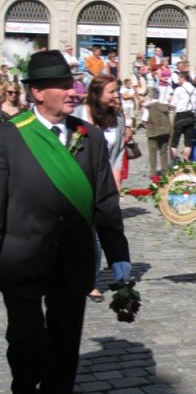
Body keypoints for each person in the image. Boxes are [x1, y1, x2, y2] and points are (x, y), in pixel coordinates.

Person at [0, 50, 131, 394]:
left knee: (64, 342)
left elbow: (105, 200)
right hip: (21, 258)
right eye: (62, 84)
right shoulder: (9, 135)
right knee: (26, 342)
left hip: (72, 259)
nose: (73, 90)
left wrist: (119, 258)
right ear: (38, 92)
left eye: (73, 83)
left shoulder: (88, 136)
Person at [74, 74, 128, 302]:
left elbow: (117, 154)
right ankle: (85, 278)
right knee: (86, 234)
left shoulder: (118, 119)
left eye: (117, 91)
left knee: (101, 231)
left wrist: (115, 185)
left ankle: (99, 278)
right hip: (79, 181)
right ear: (97, 94)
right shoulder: (78, 115)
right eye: (112, 91)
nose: (116, 95)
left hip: (105, 184)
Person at [140, 86, 171, 175]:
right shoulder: (164, 106)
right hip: (165, 131)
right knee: (164, 152)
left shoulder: (149, 107)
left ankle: (153, 172)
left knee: (152, 153)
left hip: (153, 131)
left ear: (150, 96)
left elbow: (144, 120)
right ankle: (165, 171)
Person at [169, 70, 196, 161]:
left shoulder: (179, 89)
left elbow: (173, 104)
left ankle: (173, 162)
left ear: (182, 78)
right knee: (188, 142)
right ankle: (185, 160)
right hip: (191, 115)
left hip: (180, 115)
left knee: (174, 141)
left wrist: (170, 100)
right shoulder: (195, 90)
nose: (178, 80)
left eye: (179, 78)